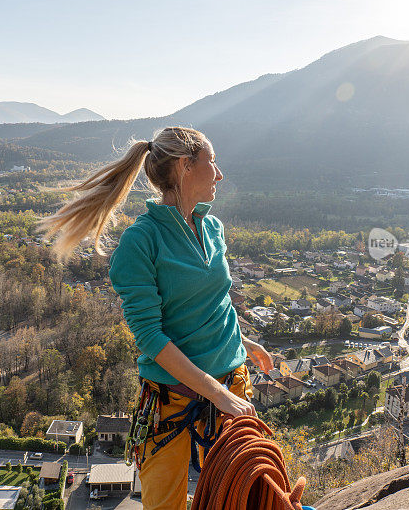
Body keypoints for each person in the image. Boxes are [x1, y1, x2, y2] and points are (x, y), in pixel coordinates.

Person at [40, 126, 273, 509]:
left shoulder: (212, 228)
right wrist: (218, 396)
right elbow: (151, 338)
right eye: (212, 163)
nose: (219, 174)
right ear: (185, 166)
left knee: (246, 497)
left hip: (231, 381)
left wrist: (244, 343)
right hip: (172, 401)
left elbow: (212, 301)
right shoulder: (141, 241)